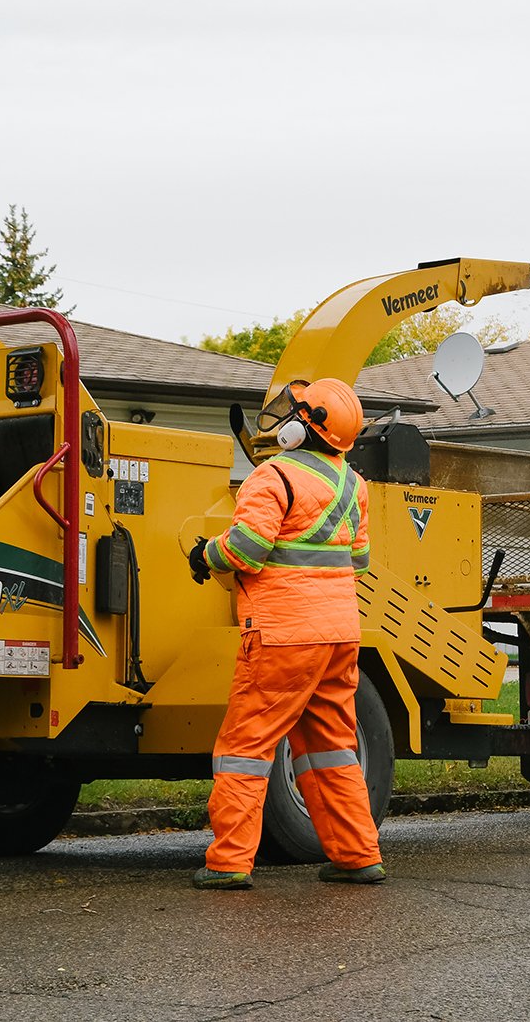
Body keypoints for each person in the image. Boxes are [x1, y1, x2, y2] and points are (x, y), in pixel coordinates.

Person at [186, 377, 384, 889]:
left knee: (246, 747)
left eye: (292, 411)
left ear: (305, 426)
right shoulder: (354, 485)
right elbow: (359, 559)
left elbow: (246, 549)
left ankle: (228, 863)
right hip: (339, 635)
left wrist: (204, 554)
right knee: (334, 746)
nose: (283, 419)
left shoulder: (273, 476)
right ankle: (358, 855)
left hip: (283, 635)